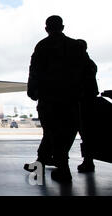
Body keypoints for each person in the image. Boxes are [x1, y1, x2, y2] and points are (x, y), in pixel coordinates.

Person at [25, 15, 88, 182]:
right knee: (65, 132)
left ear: (46, 28)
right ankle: (40, 163)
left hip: (49, 99)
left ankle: (63, 169)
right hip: (72, 99)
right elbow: (87, 72)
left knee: (52, 132)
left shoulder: (42, 46)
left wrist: (32, 91)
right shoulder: (76, 46)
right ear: (63, 27)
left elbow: (35, 71)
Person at [77, 39, 99, 173]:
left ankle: (88, 161)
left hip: (82, 101)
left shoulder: (79, 64)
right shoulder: (90, 63)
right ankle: (88, 161)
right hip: (89, 100)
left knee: (85, 132)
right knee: (87, 132)